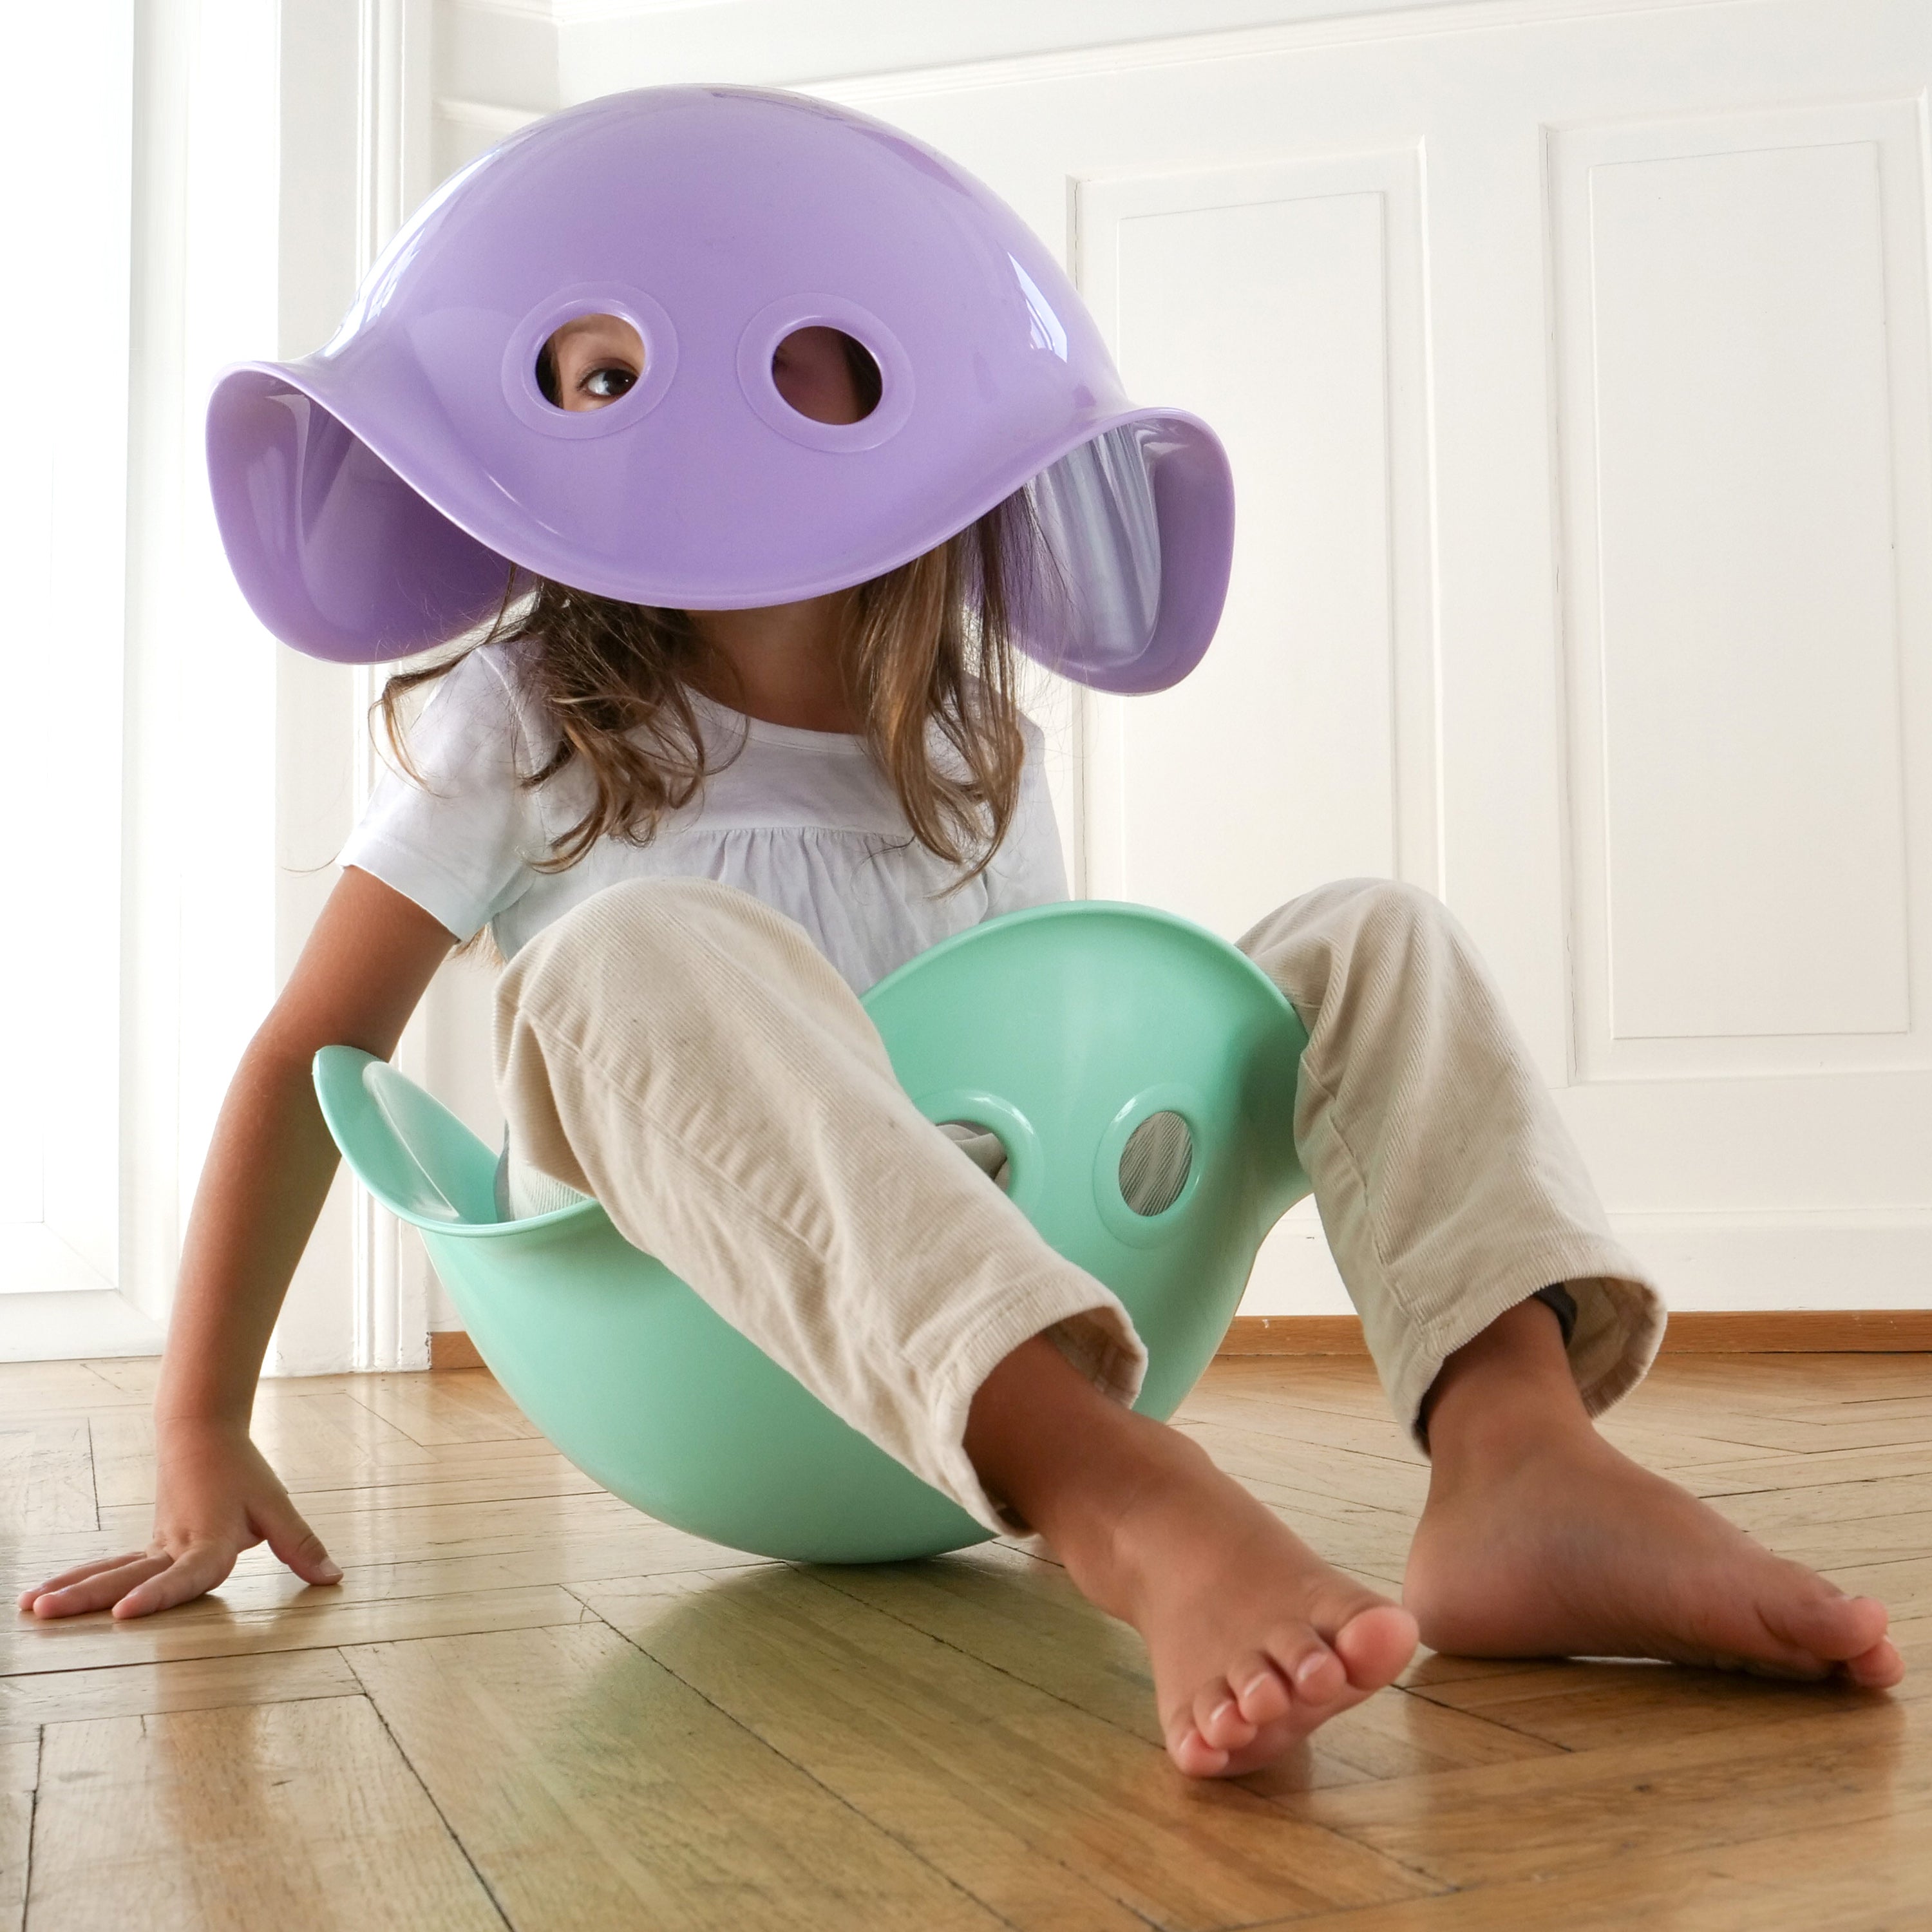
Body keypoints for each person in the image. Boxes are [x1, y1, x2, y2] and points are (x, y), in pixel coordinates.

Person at [19, 91, 1901, 1779]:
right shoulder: (523, 716)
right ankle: (1122, 1503)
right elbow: (312, 1053)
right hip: (708, 1335)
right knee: (621, 952)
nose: (692, 416)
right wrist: (201, 1424)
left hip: (1015, 1302)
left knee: (1371, 936)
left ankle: (1518, 1457)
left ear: (915, 397)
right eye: (600, 375)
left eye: (804, 364)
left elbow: (1033, 1060)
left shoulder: (964, 728)